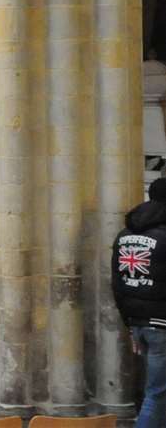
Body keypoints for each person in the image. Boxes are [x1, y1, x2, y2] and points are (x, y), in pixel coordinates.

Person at [117, 177, 166, 428]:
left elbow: (118, 283)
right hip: (161, 323)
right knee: (157, 394)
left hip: (138, 323)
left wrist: (129, 323)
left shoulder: (125, 235)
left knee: (154, 391)